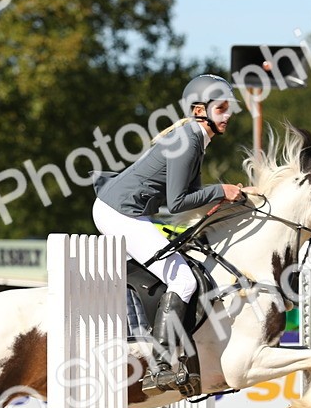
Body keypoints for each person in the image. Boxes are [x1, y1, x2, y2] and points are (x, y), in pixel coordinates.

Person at [92, 73, 254, 391]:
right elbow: (177, 201)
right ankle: (160, 365)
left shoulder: (196, 139)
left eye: (229, 108)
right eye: (221, 108)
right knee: (183, 279)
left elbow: (191, 201)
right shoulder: (190, 138)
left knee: (182, 267)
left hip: (126, 212)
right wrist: (221, 189)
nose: (228, 114)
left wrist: (227, 198)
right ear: (199, 110)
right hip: (120, 213)